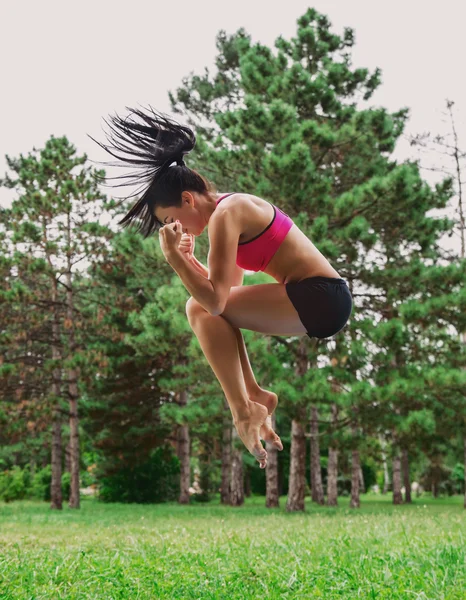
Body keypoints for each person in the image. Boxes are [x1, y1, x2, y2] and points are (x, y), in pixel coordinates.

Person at [90, 105, 353, 469]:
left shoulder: (228, 213)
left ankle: (244, 408)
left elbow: (213, 302)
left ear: (187, 199)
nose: (174, 229)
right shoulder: (224, 216)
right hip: (322, 302)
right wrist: (193, 263)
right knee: (206, 311)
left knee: (197, 308)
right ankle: (255, 395)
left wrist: (176, 260)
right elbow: (226, 296)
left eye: (170, 220)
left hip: (322, 296)